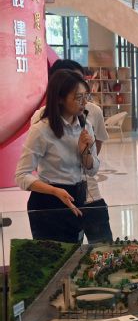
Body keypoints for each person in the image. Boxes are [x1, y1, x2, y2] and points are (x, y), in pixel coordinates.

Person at [31, 59, 113, 243]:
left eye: (80, 81)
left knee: (103, 247)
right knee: (65, 252)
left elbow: (95, 150)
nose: (78, 89)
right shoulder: (41, 118)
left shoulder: (92, 112)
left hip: (90, 195)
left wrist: (84, 156)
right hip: (57, 200)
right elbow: (32, 163)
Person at [15, 70, 98, 243]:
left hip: (75, 198)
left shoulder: (85, 126)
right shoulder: (42, 129)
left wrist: (86, 152)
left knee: (73, 253)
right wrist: (54, 191)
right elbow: (21, 175)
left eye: (86, 96)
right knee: (52, 256)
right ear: (60, 98)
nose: (85, 102)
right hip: (48, 201)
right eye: (78, 98)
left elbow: (92, 170)